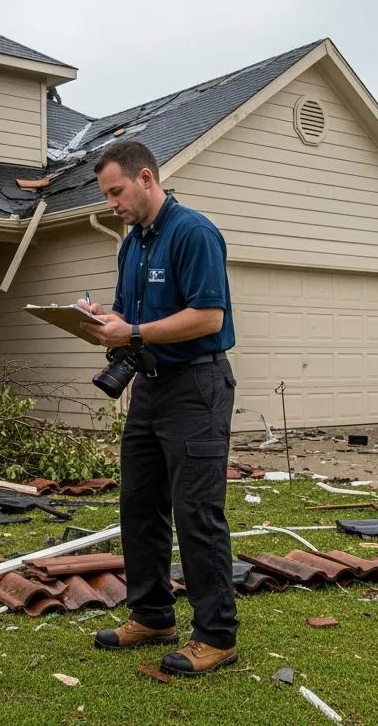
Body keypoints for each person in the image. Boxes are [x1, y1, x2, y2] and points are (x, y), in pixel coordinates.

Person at [77, 140, 239, 676]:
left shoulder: (193, 232)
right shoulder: (133, 244)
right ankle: (151, 615)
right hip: (147, 386)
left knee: (196, 512)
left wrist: (137, 330)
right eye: (106, 195)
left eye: (116, 192)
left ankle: (215, 636)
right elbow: (129, 314)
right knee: (139, 504)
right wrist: (103, 319)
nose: (112, 204)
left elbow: (208, 317)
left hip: (196, 386)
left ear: (146, 178)